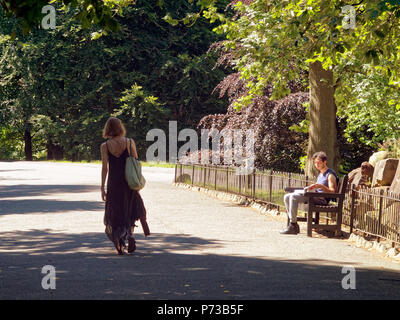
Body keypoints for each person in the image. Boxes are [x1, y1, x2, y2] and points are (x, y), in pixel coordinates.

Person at [100, 117, 149, 255]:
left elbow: (105, 168)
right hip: (128, 181)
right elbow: (136, 162)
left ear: (107, 129)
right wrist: (137, 181)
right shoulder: (129, 142)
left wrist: (102, 187)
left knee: (115, 213)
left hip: (114, 183)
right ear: (120, 127)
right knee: (129, 209)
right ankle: (129, 235)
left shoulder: (105, 146)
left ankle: (119, 244)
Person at [280, 151, 338, 235]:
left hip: (322, 199)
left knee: (293, 197)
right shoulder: (321, 174)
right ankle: (294, 224)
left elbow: (332, 192)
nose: (316, 165)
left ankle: (292, 225)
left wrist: (321, 186)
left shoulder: (330, 175)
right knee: (287, 196)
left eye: (319, 163)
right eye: (315, 163)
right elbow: (318, 188)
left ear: (325, 162)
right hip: (314, 196)